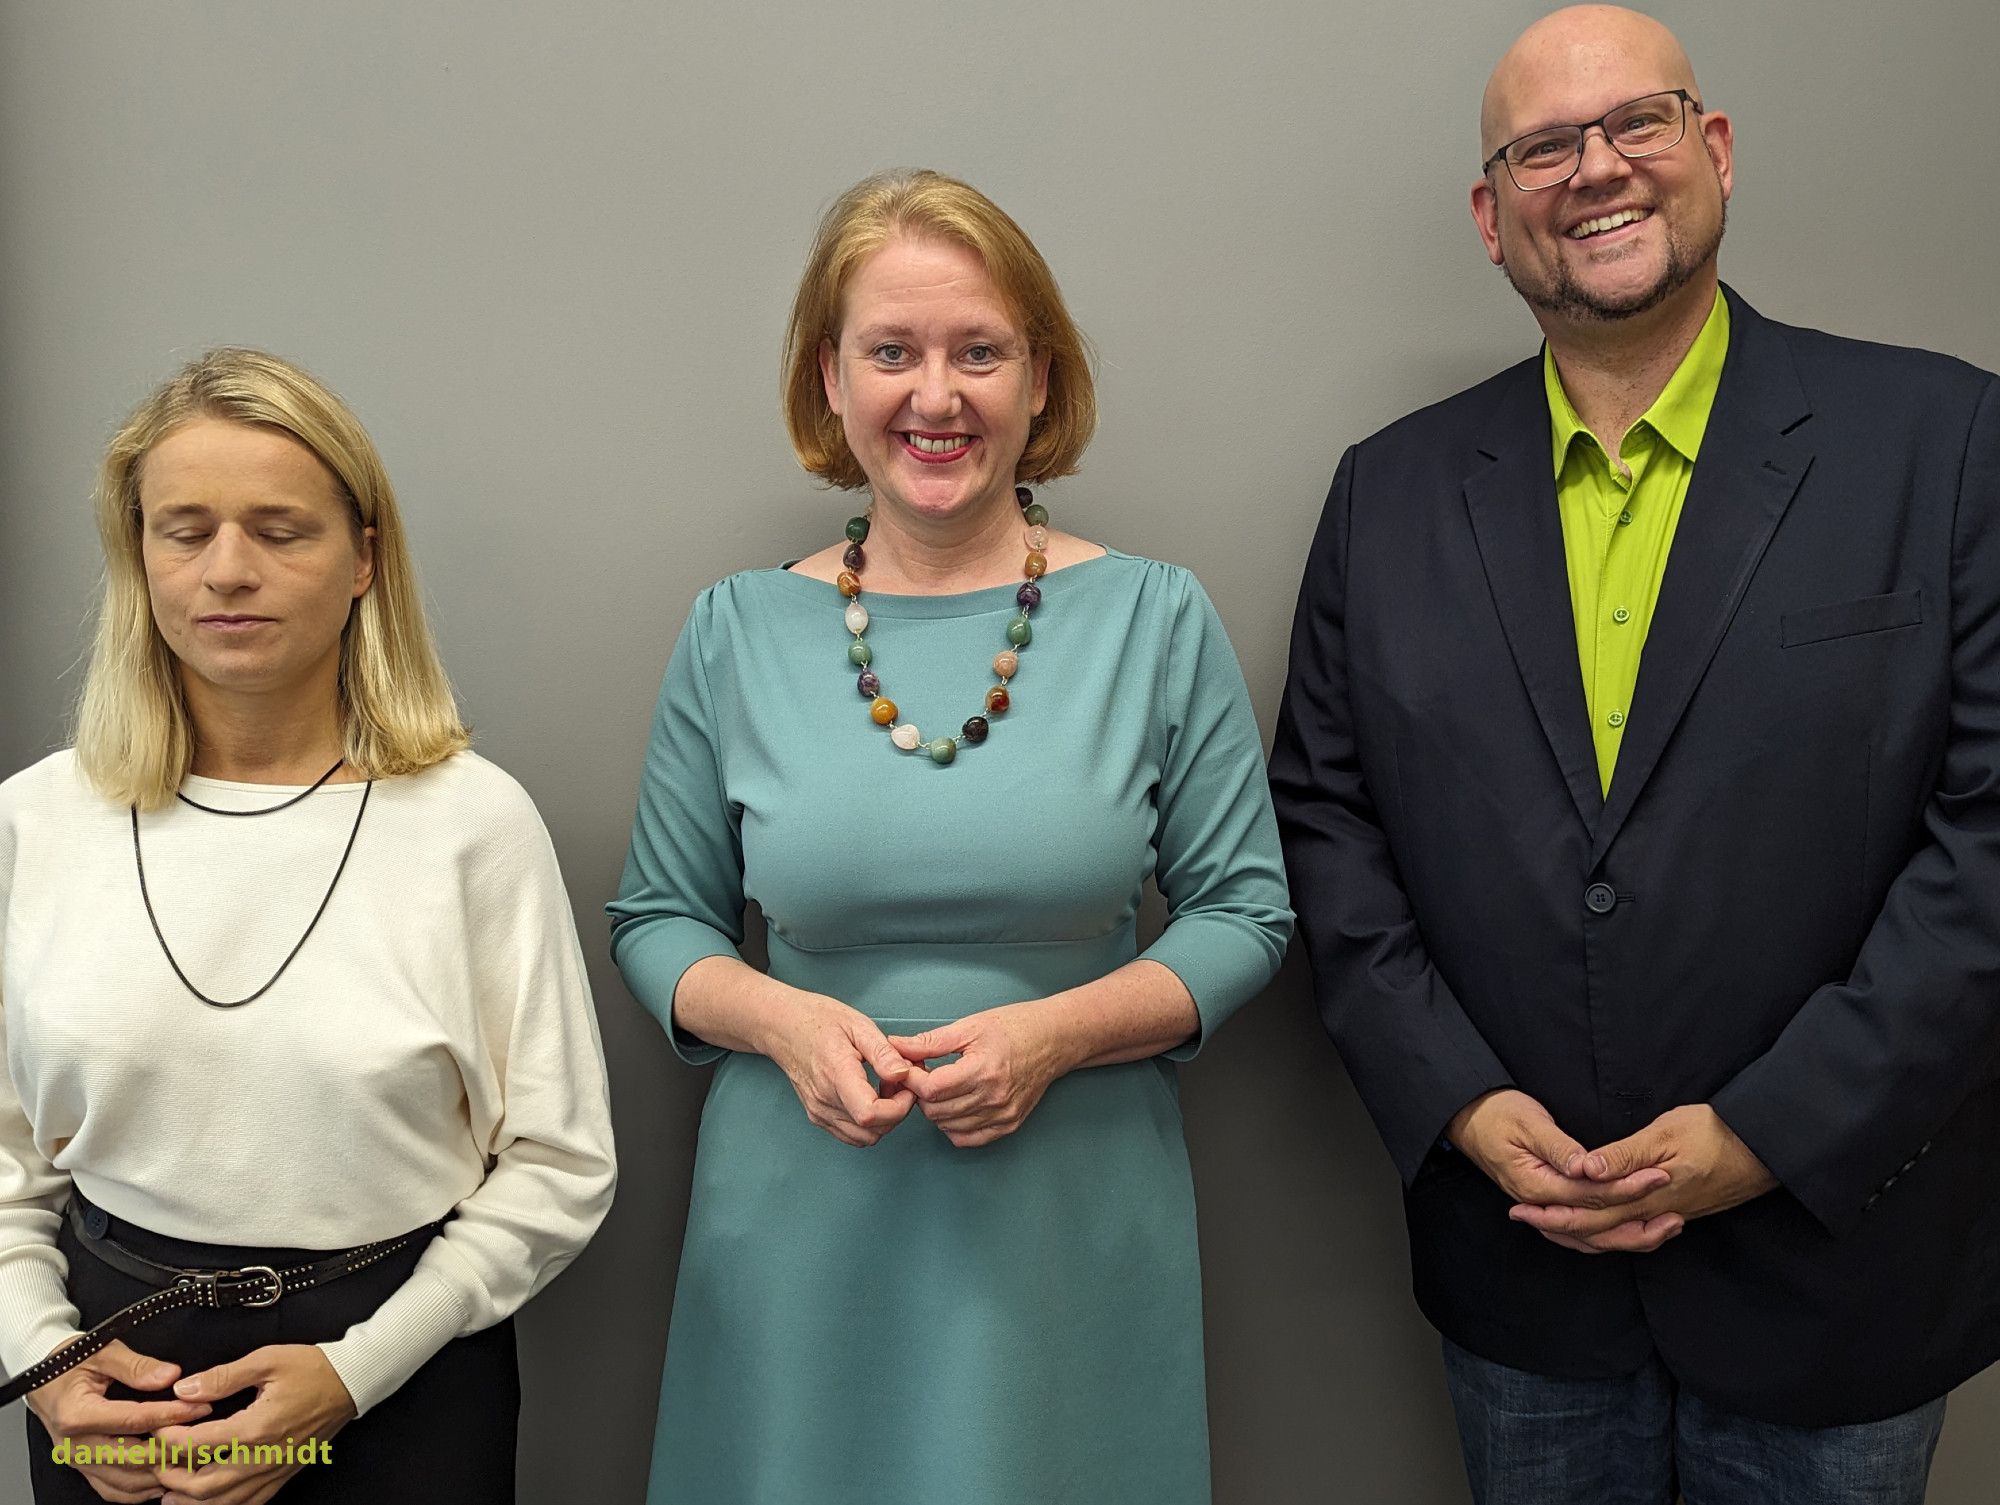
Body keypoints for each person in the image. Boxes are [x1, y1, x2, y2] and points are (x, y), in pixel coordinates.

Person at [1269, 6, 2000, 1501]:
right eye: (1544, 146)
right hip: (1525, 1277)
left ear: (1713, 150)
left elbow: (1989, 837)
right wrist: (1464, 1105)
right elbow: (1326, 826)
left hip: (1838, 1267)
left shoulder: (1947, 441)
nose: (1596, 169)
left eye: (1639, 124)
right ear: (1493, 215)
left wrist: (1770, 1130)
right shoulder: (1388, 496)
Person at [609, 168, 1291, 1505]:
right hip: (800, 1223)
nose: (936, 396)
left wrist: (1056, 1035)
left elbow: (1245, 913)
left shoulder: (1155, 618)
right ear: (828, 379)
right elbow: (657, 923)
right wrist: (786, 1023)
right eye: (892, 352)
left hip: (1069, 1225)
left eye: (980, 352)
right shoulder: (735, 630)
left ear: (1041, 377)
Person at [0, 348, 617, 1504]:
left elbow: (560, 1160)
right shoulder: (33, 820)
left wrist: (352, 1371)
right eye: (184, 529)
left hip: (401, 1372)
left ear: (363, 560)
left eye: (280, 529)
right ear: (139, 556)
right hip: (108, 1377)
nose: (228, 569)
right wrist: (45, 1355)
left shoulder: (470, 824)